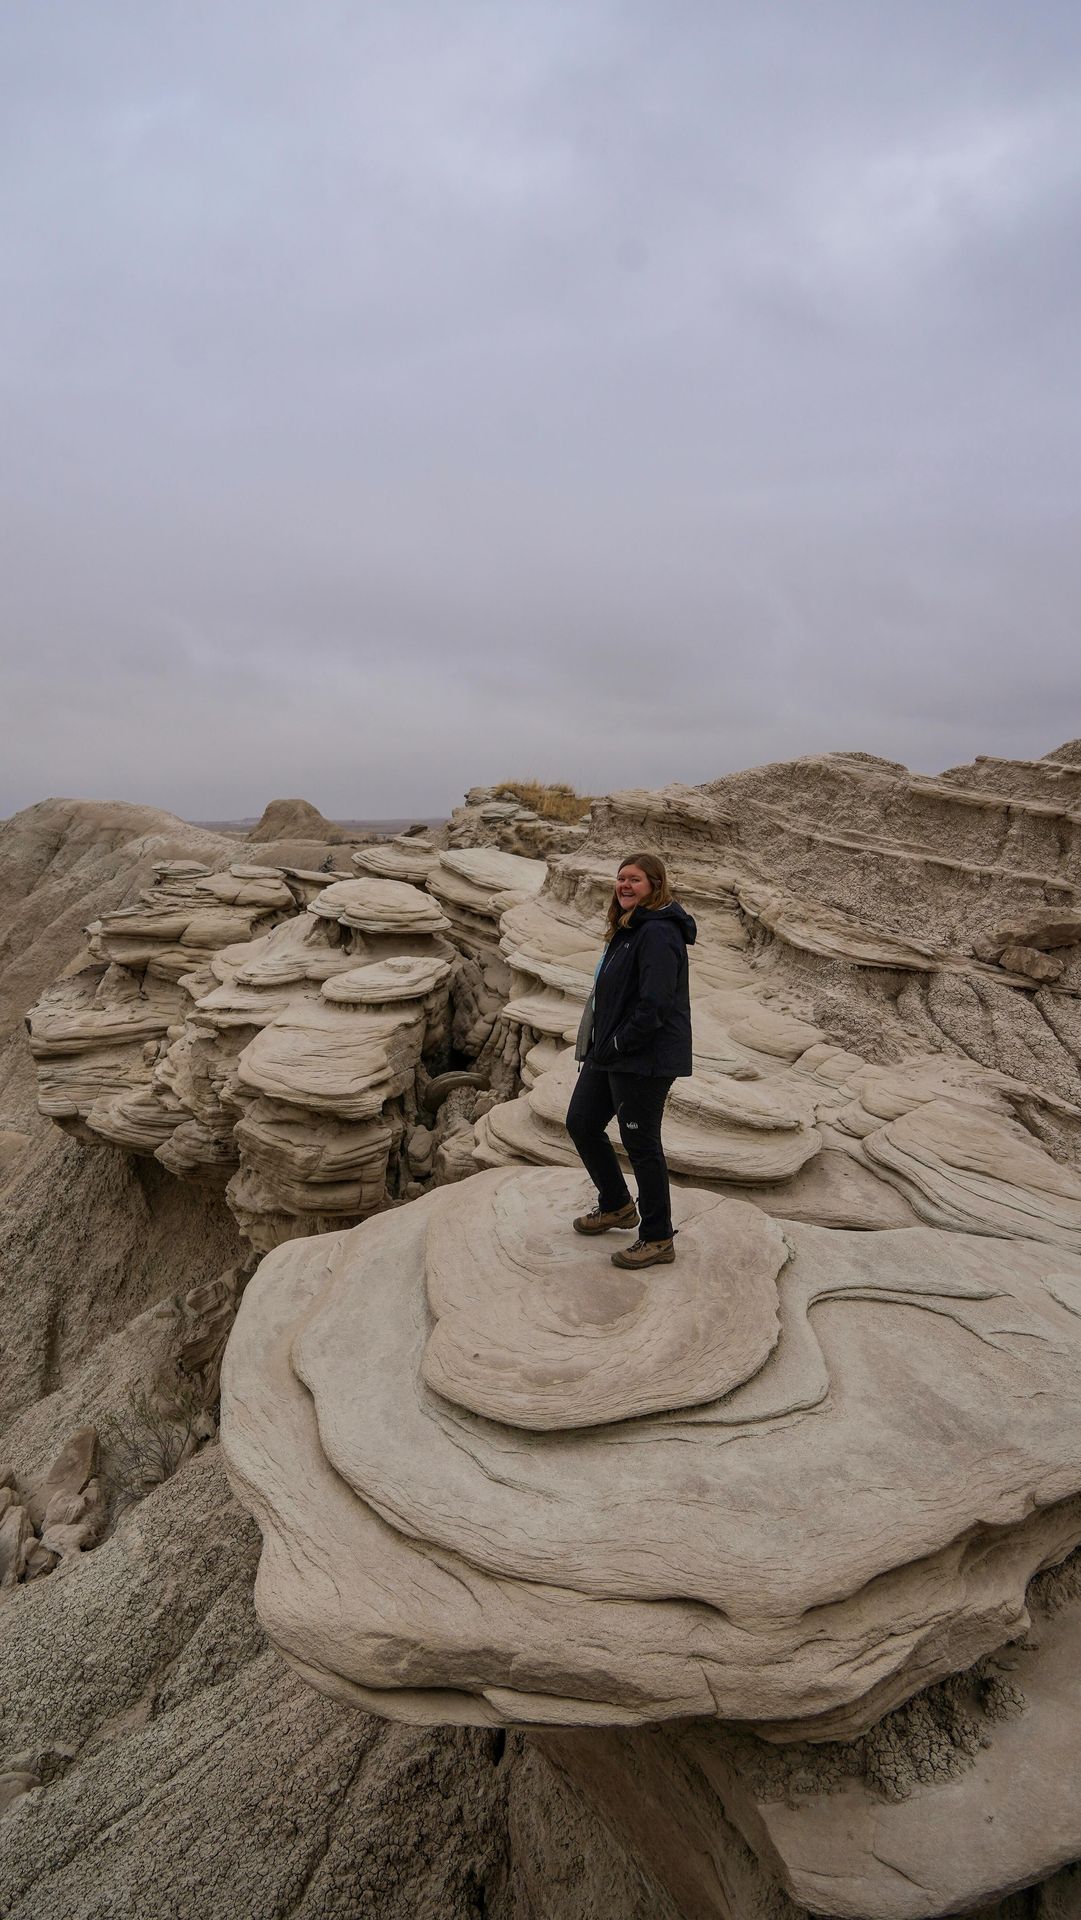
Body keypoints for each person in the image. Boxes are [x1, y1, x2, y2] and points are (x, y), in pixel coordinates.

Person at [566, 852, 695, 1269]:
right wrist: (606, 1044)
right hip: (611, 1053)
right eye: (621, 878)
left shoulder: (658, 932)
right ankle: (618, 1205)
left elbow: (655, 1003)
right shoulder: (629, 927)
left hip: (642, 1058)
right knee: (582, 1123)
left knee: (641, 1145)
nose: (624, 885)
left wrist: (621, 1044)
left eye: (635, 880)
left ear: (655, 885)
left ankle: (658, 1238)